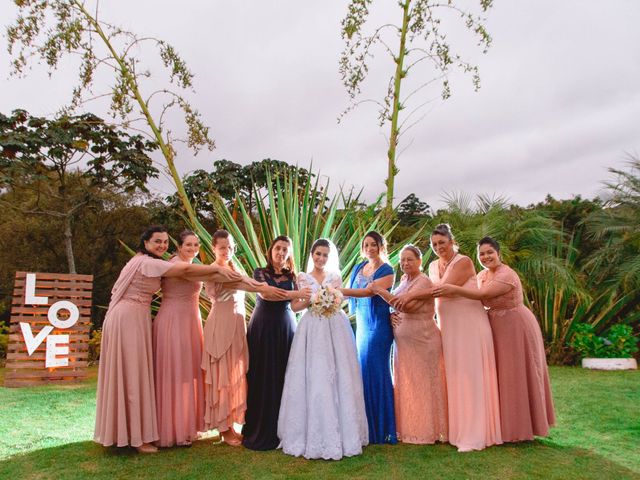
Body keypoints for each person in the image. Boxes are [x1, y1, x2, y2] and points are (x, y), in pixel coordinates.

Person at [94, 225, 242, 454]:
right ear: (146, 243)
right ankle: (140, 436)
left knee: (176, 374)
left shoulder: (152, 261)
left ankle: (175, 428)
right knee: (141, 374)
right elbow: (183, 271)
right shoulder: (156, 262)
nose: (161, 245)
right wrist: (218, 270)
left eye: (164, 241)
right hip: (144, 319)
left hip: (159, 319)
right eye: (157, 241)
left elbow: (191, 272)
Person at [432, 236, 555, 442]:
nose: (486, 257)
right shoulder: (481, 275)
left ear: (499, 254)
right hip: (494, 325)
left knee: (516, 375)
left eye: (490, 252)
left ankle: (520, 428)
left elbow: (483, 295)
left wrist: (453, 289)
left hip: (515, 325)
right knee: (499, 376)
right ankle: (503, 426)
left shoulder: (506, 275)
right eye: (482, 253)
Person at [393, 224, 502, 452]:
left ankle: (474, 433)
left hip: (469, 326)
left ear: (452, 242)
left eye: (442, 242)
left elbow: (442, 290)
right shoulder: (433, 266)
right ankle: (455, 430)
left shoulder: (463, 262)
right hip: (447, 327)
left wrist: (411, 294)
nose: (438, 247)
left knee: (470, 376)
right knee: (453, 377)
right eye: (434, 244)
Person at [278, 239, 369, 459]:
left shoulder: (335, 277)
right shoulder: (302, 277)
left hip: (335, 327)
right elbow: (295, 306)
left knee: (340, 375)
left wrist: (330, 301)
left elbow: (339, 301)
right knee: (315, 375)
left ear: (329, 257)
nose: (321, 258)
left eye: (325, 255)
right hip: (312, 328)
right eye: (318, 254)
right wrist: (312, 300)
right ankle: (311, 434)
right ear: (311, 254)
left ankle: (343, 434)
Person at [201, 230, 286, 446]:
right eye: (222, 247)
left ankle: (230, 424)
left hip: (237, 323)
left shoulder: (232, 266)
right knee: (222, 376)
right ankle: (224, 429)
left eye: (230, 247)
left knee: (233, 374)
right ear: (213, 248)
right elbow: (248, 285)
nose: (227, 251)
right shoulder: (215, 270)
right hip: (221, 322)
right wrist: (277, 291)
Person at [371, 244, 448, 444]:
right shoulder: (405, 280)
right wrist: (390, 315)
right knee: (408, 384)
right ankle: (409, 427)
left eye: (410, 259)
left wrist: (379, 290)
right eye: (402, 260)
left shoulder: (423, 282)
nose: (405, 263)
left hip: (423, 340)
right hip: (404, 345)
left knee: (423, 385)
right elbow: (396, 306)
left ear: (419, 261)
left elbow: (406, 305)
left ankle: (427, 431)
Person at [242, 235, 311, 451]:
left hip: (285, 327)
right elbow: (268, 294)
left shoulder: (292, 276)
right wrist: (298, 293)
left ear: (289, 254)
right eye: (278, 248)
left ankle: (283, 429)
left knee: (283, 375)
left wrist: (314, 298)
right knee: (261, 375)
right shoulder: (259, 272)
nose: (281, 253)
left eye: (285, 250)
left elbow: (296, 306)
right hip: (263, 326)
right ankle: (259, 429)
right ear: (271, 250)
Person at [341, 231, 397, 445]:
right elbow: (348, 293)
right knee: (363, 371)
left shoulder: (388, 270)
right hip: (363, 325)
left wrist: (338, 290)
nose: (370, 248)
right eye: (366, 245)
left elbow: (367, 292)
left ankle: (383, 428)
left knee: (377, 372)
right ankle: (366, 426)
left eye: (374, 244)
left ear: (381, 246)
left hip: (378, 326)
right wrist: (326, 296)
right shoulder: (357, 267)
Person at [152, 230, 205, 448]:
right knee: (173, 371)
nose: (192, 249)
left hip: (192, 320)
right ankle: (171, 429)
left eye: (196, 245)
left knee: (188, 372)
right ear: (179, 247)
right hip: (173, 321)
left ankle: (186, 424)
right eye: (188, 245)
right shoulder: (174, 264)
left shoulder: (193, 264)